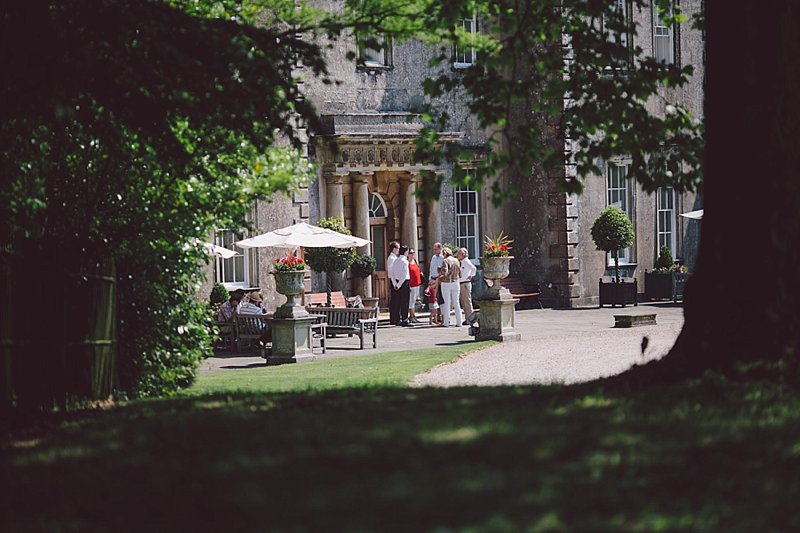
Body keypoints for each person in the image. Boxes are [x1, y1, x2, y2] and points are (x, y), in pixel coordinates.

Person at [438, 247, 463, 327]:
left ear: (445, 253)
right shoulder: (457, 261)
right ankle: (459, 322)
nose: (442, 255)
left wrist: (439, 274)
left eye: (443, 254)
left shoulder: (445, 261)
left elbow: (445, 273)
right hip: (456, 282)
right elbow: (460, 274)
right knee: (456, 302)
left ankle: (446, 322)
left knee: (447, 303)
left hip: (446, 283)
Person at [390, 245, 411, 326]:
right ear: (406, 252)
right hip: (404, 283)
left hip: (396, 282)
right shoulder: (405, 261)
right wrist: (399, 285)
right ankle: (404, 319)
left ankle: (397, 319)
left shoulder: (395, 261)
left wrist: (395, 284)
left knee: (397, 302)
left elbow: (392, 273)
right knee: (405, 302)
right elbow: (404, 275)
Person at [457, 247, 477, 324]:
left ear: (463, 254)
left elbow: (473, 268)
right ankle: (468, 318)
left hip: (465, 283)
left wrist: (471, 275)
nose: (458, 255)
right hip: (462, 283)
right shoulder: (462, 262)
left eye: (459, 254)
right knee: (463, 302)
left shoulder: (466, 261)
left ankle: (471, 318)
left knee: (467, 302)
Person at [386, 241, 402, 325]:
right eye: (398, 248)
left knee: (397, 300)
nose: (399, 250)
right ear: (393, 249)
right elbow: (391, 272)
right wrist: (395, 283)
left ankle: (396, 318)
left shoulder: (395, 257)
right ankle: (394, 319)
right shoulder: (391, 258)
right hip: (394, 281)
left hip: (396, 280)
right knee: (395, 301)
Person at [407, 248, 423, 323]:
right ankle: (411, 316)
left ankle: (413, 316)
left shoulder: (415, 261)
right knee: (411, 301)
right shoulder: (407, 262)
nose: (412, 254)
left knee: (415, 299)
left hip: (417, 283)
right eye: (411, 253)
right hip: (411, 284)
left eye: (413, 252)